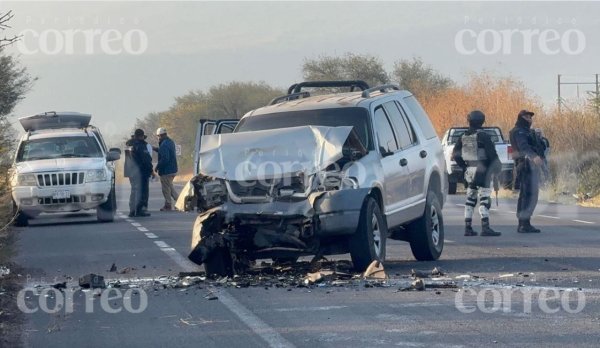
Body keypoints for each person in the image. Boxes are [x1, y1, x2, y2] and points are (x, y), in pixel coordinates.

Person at [452, 110, 502, 237]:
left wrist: (464, 167)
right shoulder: (484, 136)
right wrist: (497, 168)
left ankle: (468, 227)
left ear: (469, 121)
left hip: (469, 171)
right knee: (484, 198)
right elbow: (492, 155)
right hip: (483, 171)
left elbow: (455, 155)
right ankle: (485, 227)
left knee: (470, 199)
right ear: (482, 121)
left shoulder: (463, 136)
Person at [509, 110, 543, 233]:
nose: (529, 118)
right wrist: (534, 156)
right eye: (527, 116)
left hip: (530, 165)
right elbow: (523, 147)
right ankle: (523, 223)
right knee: (528, 194)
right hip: (525, 165)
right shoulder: (519, 131)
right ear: (521, 117)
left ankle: (525, 222)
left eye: (530, 116)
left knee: (529, 194)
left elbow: (538, 145)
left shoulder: (528, 131)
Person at [125, 129, 153, 217]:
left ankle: (132, 210)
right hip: (141, 172)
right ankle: (140, 210)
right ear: (141, 136)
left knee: (134, 191)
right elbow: (146, 159)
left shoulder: (129, 146)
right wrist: (150, 170)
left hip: (131, 172)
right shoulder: (140, 145)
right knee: (143, 191)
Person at [154, 127, 179, 211]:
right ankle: (181, 203)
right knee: (170, 188)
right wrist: (155, 148)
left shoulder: (164, 144)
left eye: (158, 136)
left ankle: (168, 205)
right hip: (173, 169)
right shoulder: (170, 142)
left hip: (166, 170)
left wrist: (157, 166)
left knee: (166, 189)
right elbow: (163, 151)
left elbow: (165, 158)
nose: (158, 138)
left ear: (160, 135)